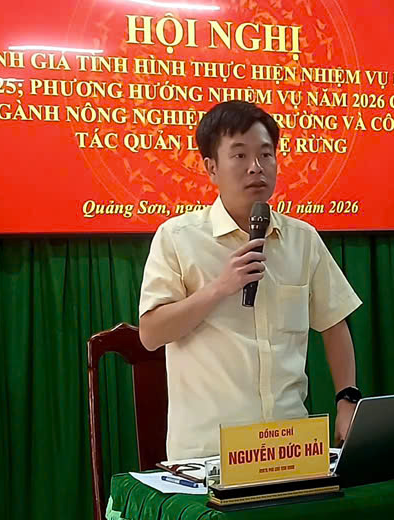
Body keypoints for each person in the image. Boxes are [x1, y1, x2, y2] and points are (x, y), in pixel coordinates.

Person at [138, 101, 363, 460]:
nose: (256, 167)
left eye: (266, 155)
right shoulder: (177, 238)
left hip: (289, 446)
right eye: (240, 155)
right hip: (209, 452)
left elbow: (334, 324)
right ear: (211, 168)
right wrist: (219, 288)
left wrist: (347, 399)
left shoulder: (302, 239)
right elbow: (151, 334)